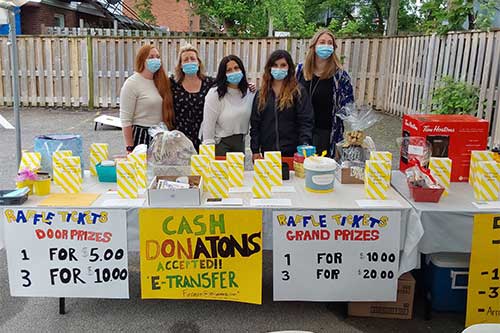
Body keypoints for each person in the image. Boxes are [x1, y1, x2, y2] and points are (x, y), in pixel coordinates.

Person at [296, 28, 354, 157]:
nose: (326, 46)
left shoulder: (340, 76)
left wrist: (355, 126)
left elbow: (348, 106)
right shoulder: (300, 71)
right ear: (314, 46)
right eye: (322, 42)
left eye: (330, 43)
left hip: (326, 133)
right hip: (300, 131)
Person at [250, 50, 314, 160]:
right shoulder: (261, 94)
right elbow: (255, 124)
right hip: (268, 153)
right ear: (269, 68)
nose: (279, 68)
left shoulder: (298, 92)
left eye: (283, 65)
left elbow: (305, 121)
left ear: (289, 68)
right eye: (275, 65)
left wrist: (304, 145)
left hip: (292, 153)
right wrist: (255, 150)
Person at [119, 44, 173, 153]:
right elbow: (126, 120)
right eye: (151, 57)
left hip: (160, 135)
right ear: (142, 60)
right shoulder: (132, 83)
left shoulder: (162, 82)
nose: (155, 60)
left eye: (158, 57)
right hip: (141, 136)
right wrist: (129, 147)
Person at [200, 55, 255, 156]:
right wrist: (208, 150)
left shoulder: (249, 92)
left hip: (240, 143)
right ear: (223, 74)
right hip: (220, 144)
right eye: (229, 70)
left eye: (236, 68)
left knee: (238, 172)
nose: (234, 72)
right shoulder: (215, 94)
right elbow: (208, 125)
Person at [168, 44, 215, 151]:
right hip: (179, 141)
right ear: (180, 65)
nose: (190, 61)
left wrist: (249, 86)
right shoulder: (172, 84)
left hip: (203, 138)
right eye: (185, 59)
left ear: (198, 62)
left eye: (192, 58)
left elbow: (230, 87)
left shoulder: (210, 83)